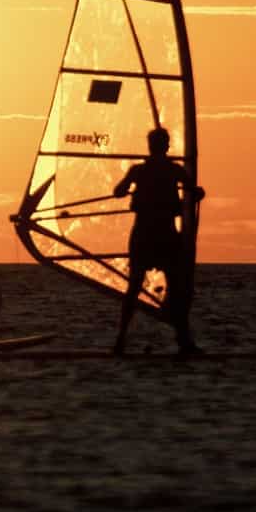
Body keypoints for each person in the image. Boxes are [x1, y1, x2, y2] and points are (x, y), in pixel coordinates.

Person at [112, 126, 203, 355]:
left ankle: (121, 340)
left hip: (144, 234)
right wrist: (196, 193)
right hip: (163, 234)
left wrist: (129, 188)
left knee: (135, 286)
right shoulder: (173, 170)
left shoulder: (139, 170)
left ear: (150, 146)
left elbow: (117, 191)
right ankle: (183, 341)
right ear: (166, 146)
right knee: (176, 286)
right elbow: (194, 191)